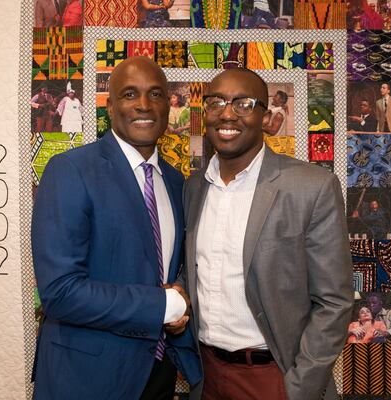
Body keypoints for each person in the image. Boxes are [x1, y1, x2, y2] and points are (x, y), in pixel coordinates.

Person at [31, 56, 202, 399]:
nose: (143, 105)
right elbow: (60, 293)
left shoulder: (175, 181)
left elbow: (173, 267)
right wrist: (162, 306)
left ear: (168, 106)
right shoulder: (70, 170)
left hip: (158, 372)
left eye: (155, 94)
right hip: (87, 378)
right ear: (109, 107)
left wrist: (179, 305)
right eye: (129, 94)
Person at [179, 68, 354, 400]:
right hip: (207, 378)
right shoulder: (194, 188)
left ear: (265, 114)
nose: (227, 113)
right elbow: (199, 273)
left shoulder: (311, 187)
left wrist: (297, 388)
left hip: (273, 377)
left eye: (243, 103)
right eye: (216, 102)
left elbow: (335, 301)